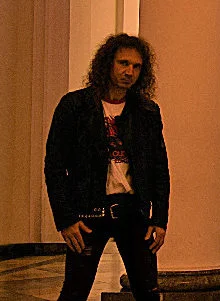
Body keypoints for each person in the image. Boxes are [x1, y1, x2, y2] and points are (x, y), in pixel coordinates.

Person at [44, 33, 169, 301]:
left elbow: (159, 168)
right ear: (107, 63)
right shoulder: (74, 106)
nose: (129, 72)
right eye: (123, 63)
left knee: (148, 292)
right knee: (75, 291)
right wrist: (65, 219)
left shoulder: (146, 111)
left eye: (136, 66)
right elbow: (54, 167)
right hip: (87, 213)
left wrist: (159, 219)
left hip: (133, 212)